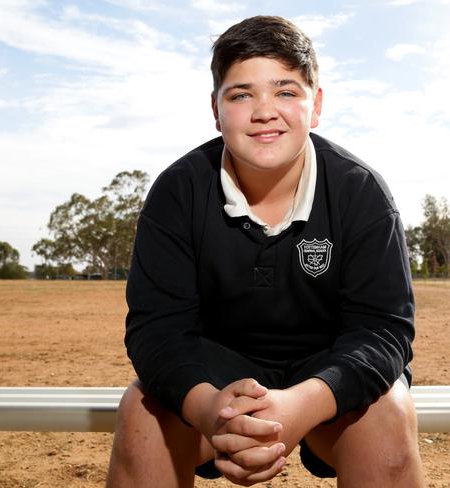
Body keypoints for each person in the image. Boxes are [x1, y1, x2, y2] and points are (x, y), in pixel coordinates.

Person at [106, 15, 424, 488]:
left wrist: (304, 403)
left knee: (389, 417)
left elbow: (383, 329)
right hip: (215, 378)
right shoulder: (179, 191)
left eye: (286, 91)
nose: (264, 111)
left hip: (327, 372)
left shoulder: (361, 192)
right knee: (140, 415)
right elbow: (157, 329)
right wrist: (208, 407)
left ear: (315, 105)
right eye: (240, 94)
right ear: (216, 109)